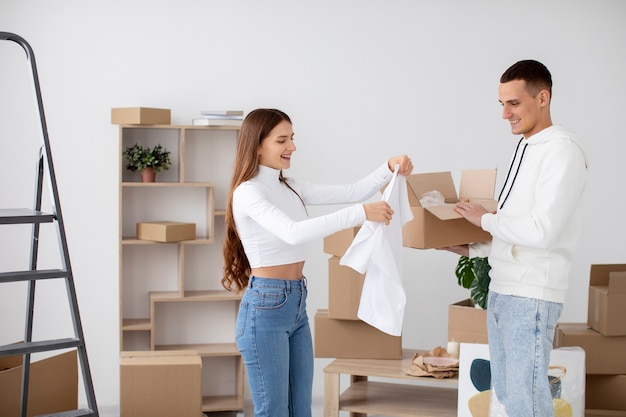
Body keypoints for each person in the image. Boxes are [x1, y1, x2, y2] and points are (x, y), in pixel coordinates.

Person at [221, 108, 413, 417]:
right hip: (265, 308)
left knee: (301, 411)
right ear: (257, 145)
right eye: (282, 140)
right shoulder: (248, 193)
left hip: (295, 303)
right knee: (274, 412)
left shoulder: (289, 186)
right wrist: (361, 213)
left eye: (292, 138)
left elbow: (352, 191)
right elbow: (293, 233)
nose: (292, 147)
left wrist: (387, 168)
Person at [447, 60, 588, 416]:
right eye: (501, 104)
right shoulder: (525, 147)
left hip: (531, 296)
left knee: (529, 401)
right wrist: (471, 246)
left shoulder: (562, 150)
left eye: (513, 103)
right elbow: (514, 226)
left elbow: (543, 231)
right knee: (510, 397)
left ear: (543, 97)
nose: (505, 114)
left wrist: (486, 220)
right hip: (503, 291)